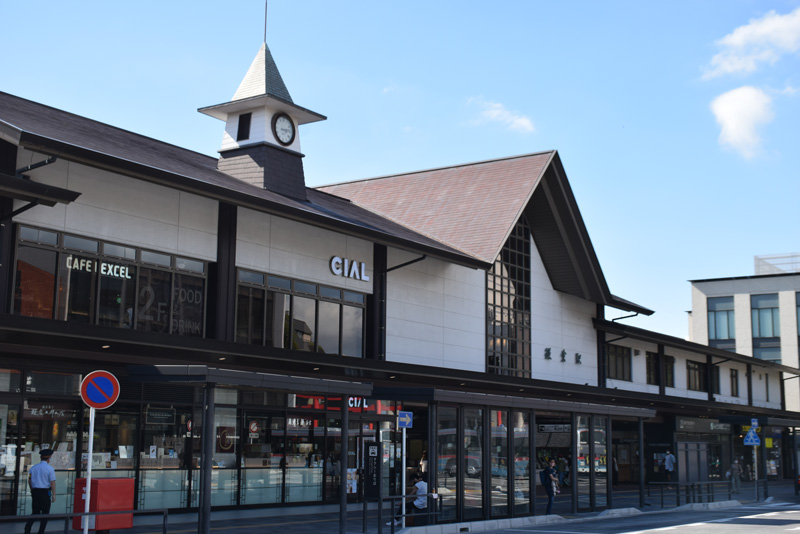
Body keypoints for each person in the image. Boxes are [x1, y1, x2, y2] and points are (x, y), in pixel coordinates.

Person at [25, 449, 56, 534]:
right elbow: (52, 482)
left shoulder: (33, 468)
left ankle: (27, 528)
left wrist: (32, 490)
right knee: (45, 513)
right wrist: (54, 494)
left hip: (35, 492)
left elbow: (29, 480)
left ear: (41, 458)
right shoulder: (50, 469)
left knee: (35, 512)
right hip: (45, 493)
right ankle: (41, 531)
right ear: (49, 458)